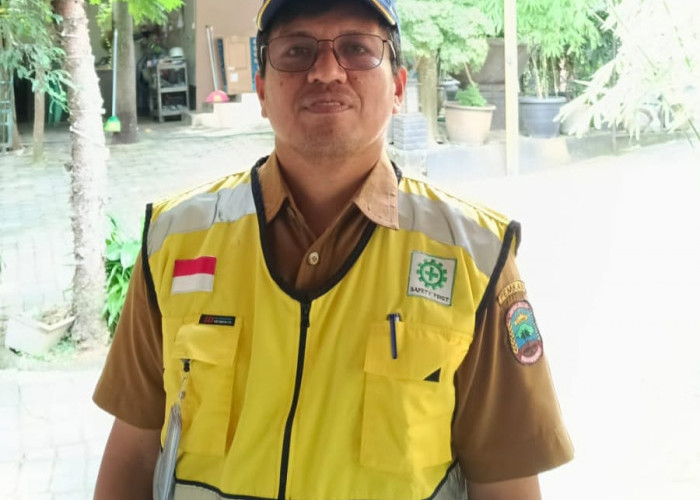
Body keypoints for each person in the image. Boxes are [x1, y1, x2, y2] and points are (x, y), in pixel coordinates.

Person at [92, 0, 574, 499]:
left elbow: (506, 485)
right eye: (297, 51)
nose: (326, 71)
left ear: (398, 88)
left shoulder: (476, 259)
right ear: (262, 90)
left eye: (357, 49)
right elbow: (131, 456)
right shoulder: (174, 241)